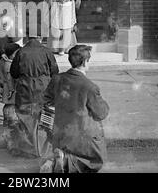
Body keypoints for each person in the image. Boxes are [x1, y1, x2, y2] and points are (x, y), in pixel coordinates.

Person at [41, 45, 109, 173]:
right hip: (80, 132)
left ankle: (58, 159)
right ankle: (66, 160)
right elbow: (101, 113)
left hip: (59, 130)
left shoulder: (57, 78)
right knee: (97, 159)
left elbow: (46, 99)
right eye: (89, 60)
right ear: (84, 62)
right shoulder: (90, 87)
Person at [5, 34, 59, 158]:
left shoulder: (21, 52)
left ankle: (30, 148)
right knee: (45, 117)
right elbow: (55, 71)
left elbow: (14, 72)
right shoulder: (46, 51)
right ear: (40, 38)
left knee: (26, 117)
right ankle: (44, 147)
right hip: (43, 88)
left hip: (25, 88)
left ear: (27, 38)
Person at [0, 42, 21, 127]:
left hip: (5, 87)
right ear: (11, 54)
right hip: (9, 89)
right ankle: (11, 121)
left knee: (8, 105)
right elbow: (9, 78)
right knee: (11, 106)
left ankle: (6, 120)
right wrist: (12, 90)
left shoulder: (2, 61)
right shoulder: (9, 64)